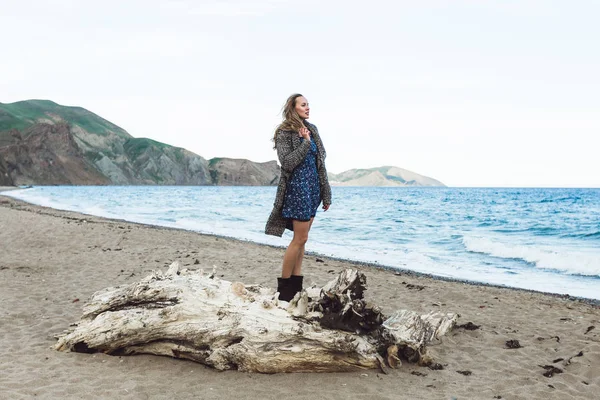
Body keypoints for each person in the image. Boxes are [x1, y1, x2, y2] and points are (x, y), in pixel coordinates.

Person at [265, 93, 332, 302]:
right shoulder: (284, 132)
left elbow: (321, 161)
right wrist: (304, 143)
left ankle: (296, 286)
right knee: (299, 239)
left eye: (308, 104)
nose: (308, 108)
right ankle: (284, 290)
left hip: (313, 190)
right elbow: (287, 162)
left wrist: (326, 193)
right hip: (297, 190)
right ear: (293, 108)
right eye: (303, 105)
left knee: (303, 240)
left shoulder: (313, 129)